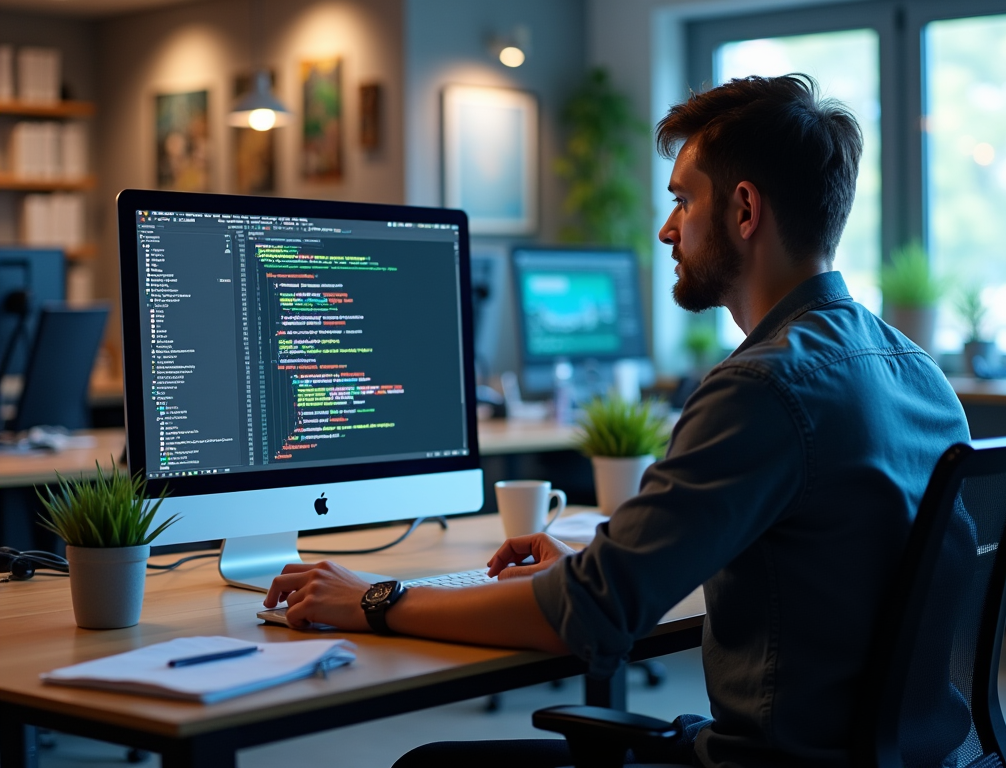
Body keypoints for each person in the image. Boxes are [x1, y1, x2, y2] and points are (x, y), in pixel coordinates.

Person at [264, 74, 970, 768]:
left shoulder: (762, 388)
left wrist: (377, 599)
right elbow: (822, 563)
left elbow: (588, 618)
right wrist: (599, 568)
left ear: (745, 210)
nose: (667, 229)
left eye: (683, 202)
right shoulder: (917, 373)